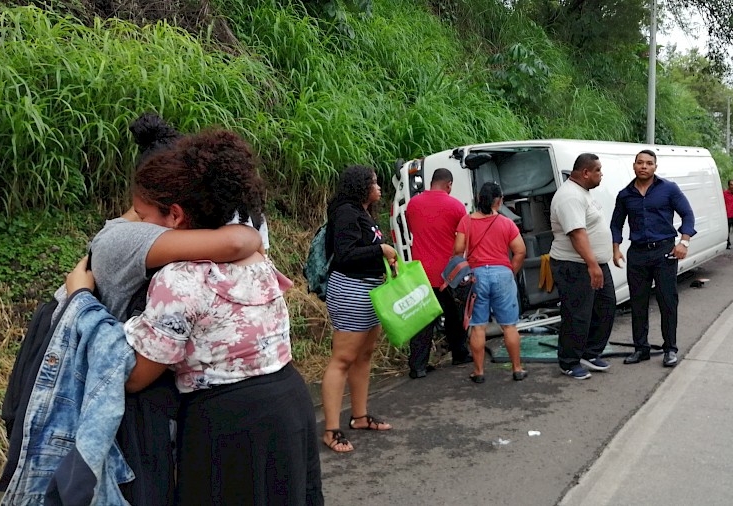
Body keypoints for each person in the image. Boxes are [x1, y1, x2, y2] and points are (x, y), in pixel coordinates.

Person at [68, 129, 324, 505]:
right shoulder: (256, 259)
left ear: (175, 214)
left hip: (228, 422)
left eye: (143, 216)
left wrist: (83, 302)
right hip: (288, 403)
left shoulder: (178, 279)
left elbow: (136, 377)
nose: (138, 224)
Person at [321, 165, 397, 453]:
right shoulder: (346, 213)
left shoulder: (363, 214)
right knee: (342, 359)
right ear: (360, 186)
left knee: (364, 356)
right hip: (351, 290)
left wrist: (385, 258)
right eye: (374, 182)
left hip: (370, 289)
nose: (378, 187)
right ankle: (330, 429)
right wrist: (381, 250)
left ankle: (360, 416)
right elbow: (345, 254)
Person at [610, 149, 696, 368]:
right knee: (638, 302)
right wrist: (616, 248)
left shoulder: (668, 189)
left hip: (664, 252)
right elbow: (616, 224)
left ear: (655, 167)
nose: (644, 166)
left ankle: (670, 349)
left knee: (667, 301)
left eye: (649, 163)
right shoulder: (625, 194)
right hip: (637, 253)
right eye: (640, 162)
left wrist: (683, 242)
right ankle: (641, 349)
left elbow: (687, 214)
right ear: (634, 165)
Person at [549, 153, 616, 380]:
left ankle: (590, 352)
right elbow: (577, 233)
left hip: (594, 263)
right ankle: (569, 361)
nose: (601, 174)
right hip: (575, 266)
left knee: (605, 307)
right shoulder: (569, 196)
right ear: (586, 172)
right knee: (577, 315)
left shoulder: (583, 193)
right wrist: (592, 264)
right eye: (598, 170)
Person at [454, 182, 527, 383]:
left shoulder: (466, 222)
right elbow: (520, 251)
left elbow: (458, 250)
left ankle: (479, 372)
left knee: (478, 326)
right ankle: (517, 369)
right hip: (502, 274)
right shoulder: (507, 223)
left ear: (479, 199)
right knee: (509, 326)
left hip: (477, 276)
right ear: (499, 201)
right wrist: (509, 271)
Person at [404, 168, 473, 379]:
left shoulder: (412, 205)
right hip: (448, 274)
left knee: (423, 319)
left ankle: (418, 366)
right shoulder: (455, 206)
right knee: (454, 315)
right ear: (449, 185)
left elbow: (412, 231)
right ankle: (459, 353)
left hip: (421, 272)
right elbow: (464, 240)